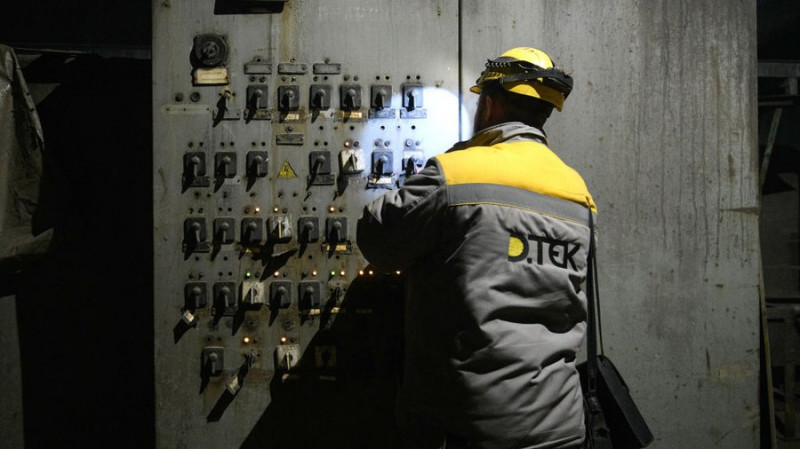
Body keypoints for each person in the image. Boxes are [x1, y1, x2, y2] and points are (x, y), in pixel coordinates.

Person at [357, 47, 597, 449]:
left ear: (489, 103)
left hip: (466, 427)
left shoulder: (456, 173)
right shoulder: (577, 193)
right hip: (561, 427)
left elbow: (377, 242)